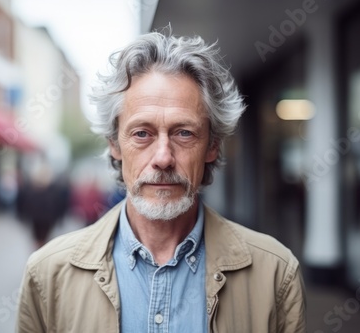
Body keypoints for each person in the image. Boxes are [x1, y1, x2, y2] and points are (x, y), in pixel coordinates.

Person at [16, 30, 306, 332]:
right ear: (115, 144)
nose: (163, 157)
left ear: (212, 146)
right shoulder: (47, 274)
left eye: (184, 133)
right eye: (142, 133)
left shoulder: (275, 275)